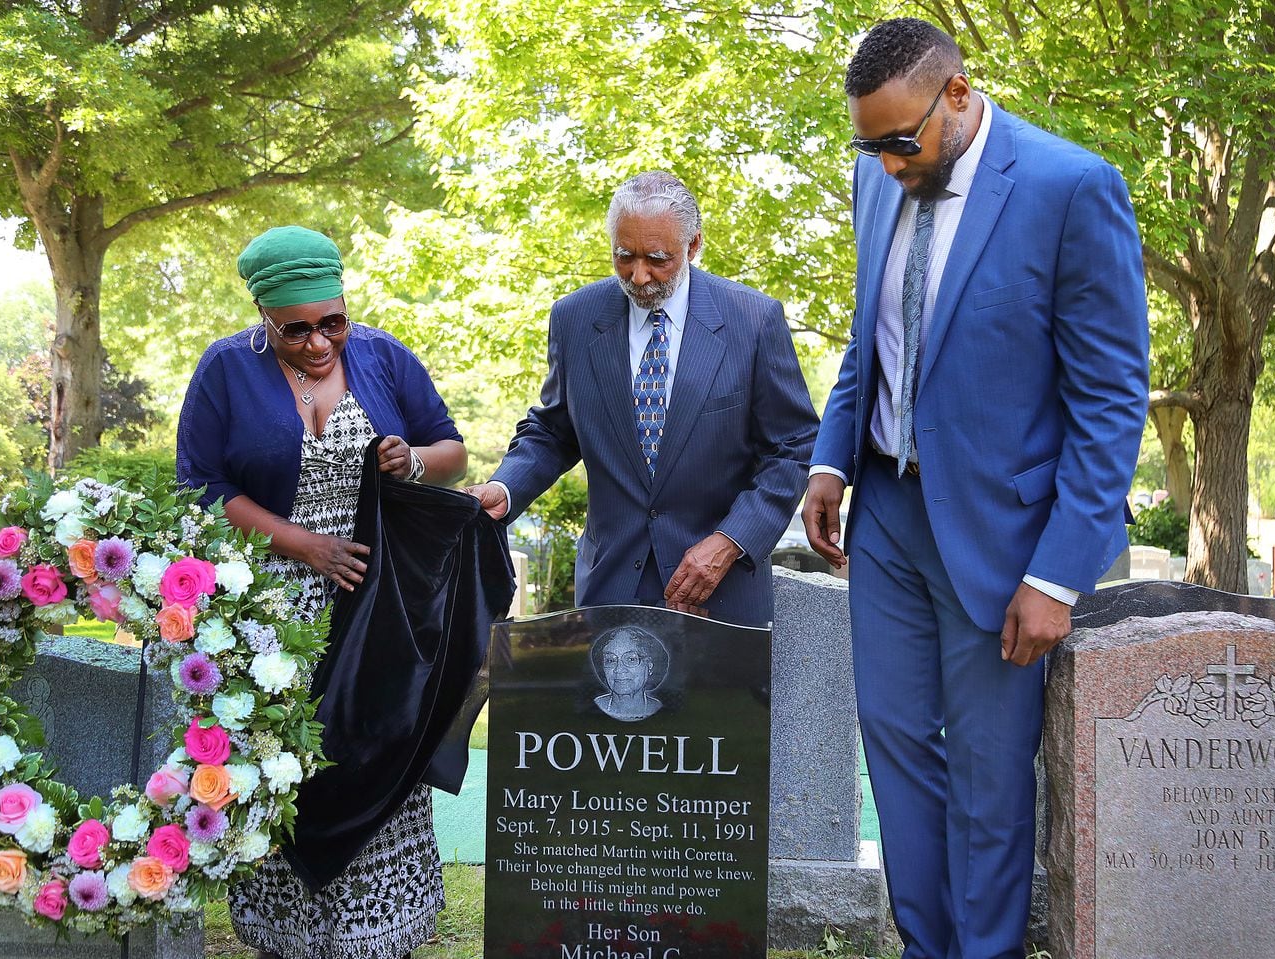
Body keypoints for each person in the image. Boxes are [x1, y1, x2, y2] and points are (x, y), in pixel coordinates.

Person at [803, 20, 1149, 959]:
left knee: (992, 775)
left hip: (1003, 541)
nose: (882, 166)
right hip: (885, 518)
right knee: (898, 750)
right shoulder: (882, 178)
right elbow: (868, 337)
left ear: (957, 93)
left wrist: (1059, 574)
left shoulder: (1070, 189)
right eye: (866, 146)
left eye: (898, 142)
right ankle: (928, 946)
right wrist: (832, 459)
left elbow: (1112, 401)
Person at [177, 225, 467, 959]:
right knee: (281, 770)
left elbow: (452, 451)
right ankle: (286, 937)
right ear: (263, 316)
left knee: (377, 757)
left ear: (345, 305)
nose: (317, 343)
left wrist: (412, 462)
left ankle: (381, 934)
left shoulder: (383, 355)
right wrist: (303, 544)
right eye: (294, 330)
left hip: (375, 605)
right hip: (268, 611)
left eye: (330, 322)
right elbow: (203, 487)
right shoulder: (223, 369)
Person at [466, 171, 818, 625]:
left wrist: (730, 540)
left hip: (721, 590)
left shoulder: (753, 320)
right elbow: (554, 430)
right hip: (611, 587)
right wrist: (504, 487)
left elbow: (792, 448)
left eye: (657, 259)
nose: (639, 275)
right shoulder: (574, 317)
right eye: (624, 256)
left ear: (693, 247)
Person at [591, 625, 669, 721]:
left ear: (649, 666)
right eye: (610, 660)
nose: (619, 669)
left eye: (631, 659)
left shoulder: (660, 708)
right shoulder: (592, 706)